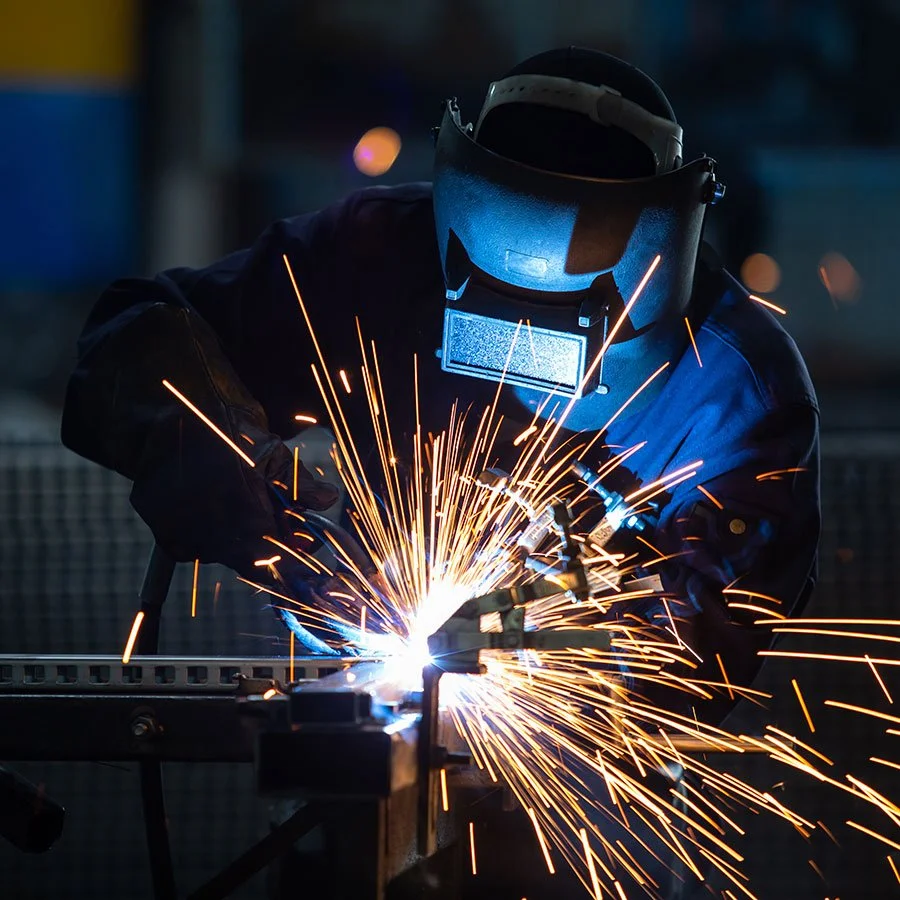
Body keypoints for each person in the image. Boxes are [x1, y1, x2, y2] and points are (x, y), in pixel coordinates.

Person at [61, 46, 820, 894]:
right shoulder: (373, 258)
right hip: (360, 764)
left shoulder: (734, 388)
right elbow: (133, 341)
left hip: (591, 816)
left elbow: (708, 639)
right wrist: (272, 513)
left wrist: (559, 632)